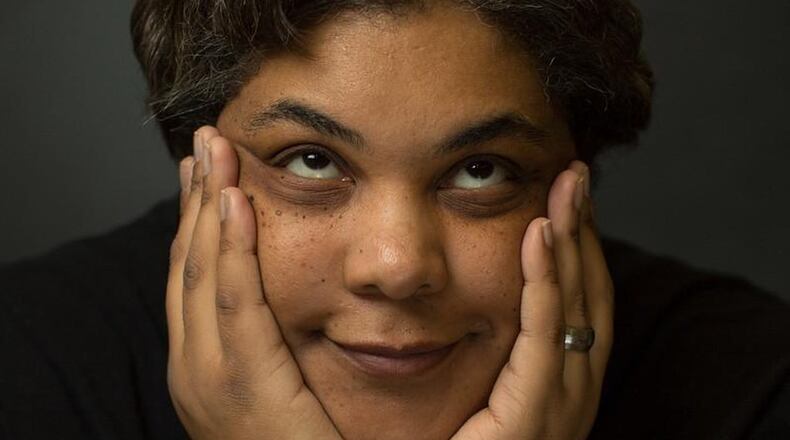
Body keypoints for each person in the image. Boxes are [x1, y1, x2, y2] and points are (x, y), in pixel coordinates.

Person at [1, 1, 788, 439]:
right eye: (312, 161)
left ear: (573, 179)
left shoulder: (751, 388)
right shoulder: (28, 367)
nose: (398, 266)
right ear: (198, 166)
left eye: (482, 171)